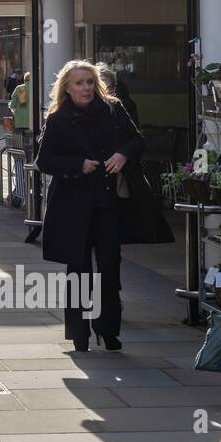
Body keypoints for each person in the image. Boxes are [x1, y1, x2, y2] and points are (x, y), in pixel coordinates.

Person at [35, 60, 171, 353]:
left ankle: (109, 330)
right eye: (78, 83)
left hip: (109, 202)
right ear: (67, 88)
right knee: (78, 268)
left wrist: (123, 154)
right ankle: (79, 333)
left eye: (89, 82)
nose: (85, 88)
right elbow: (44, 161)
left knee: (110, 268)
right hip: (74, 204)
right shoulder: (57, 119)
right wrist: (76, 164)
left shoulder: (113, 109)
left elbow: (136, 140)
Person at [7, 71, 32, 208]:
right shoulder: (39, 88)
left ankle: (22, 195)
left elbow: (13, 105)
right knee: (33, 159)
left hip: (20, 127)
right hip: (34, 128)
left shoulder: (20, 88)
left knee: (19, 159)